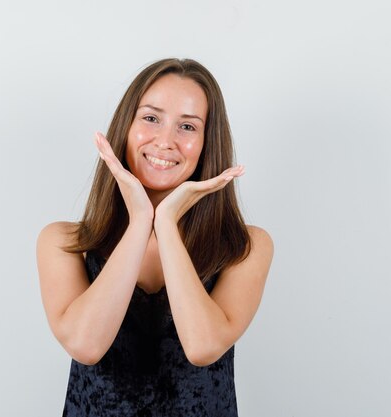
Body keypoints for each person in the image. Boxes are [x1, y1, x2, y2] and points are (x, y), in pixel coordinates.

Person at [36, 58, 274, 416]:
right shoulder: (64, 242)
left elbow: (202, 346)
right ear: (126, 127)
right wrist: (140, 221)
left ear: (208, 142)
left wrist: (166, 222)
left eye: (188, 127)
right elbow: (86, 345)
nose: (166, 141)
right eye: (151, 118)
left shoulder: (246, 247)